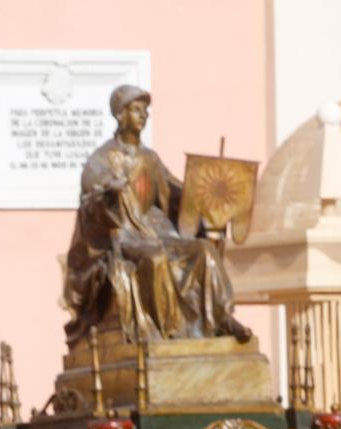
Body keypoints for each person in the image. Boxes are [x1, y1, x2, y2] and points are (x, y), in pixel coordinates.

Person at [62, 84, 249, 347]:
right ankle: (169, 336)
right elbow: (90, 207)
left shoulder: (150, 158)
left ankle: (220, 318)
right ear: (119, 114)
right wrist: (109, 196)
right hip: (125, 238)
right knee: (155, 259)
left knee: (204, 251)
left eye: (145, 110)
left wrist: (210, 200)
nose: (143, 115)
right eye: (136, 110)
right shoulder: (101, 160)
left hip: (159, 232)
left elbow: (176, 194)